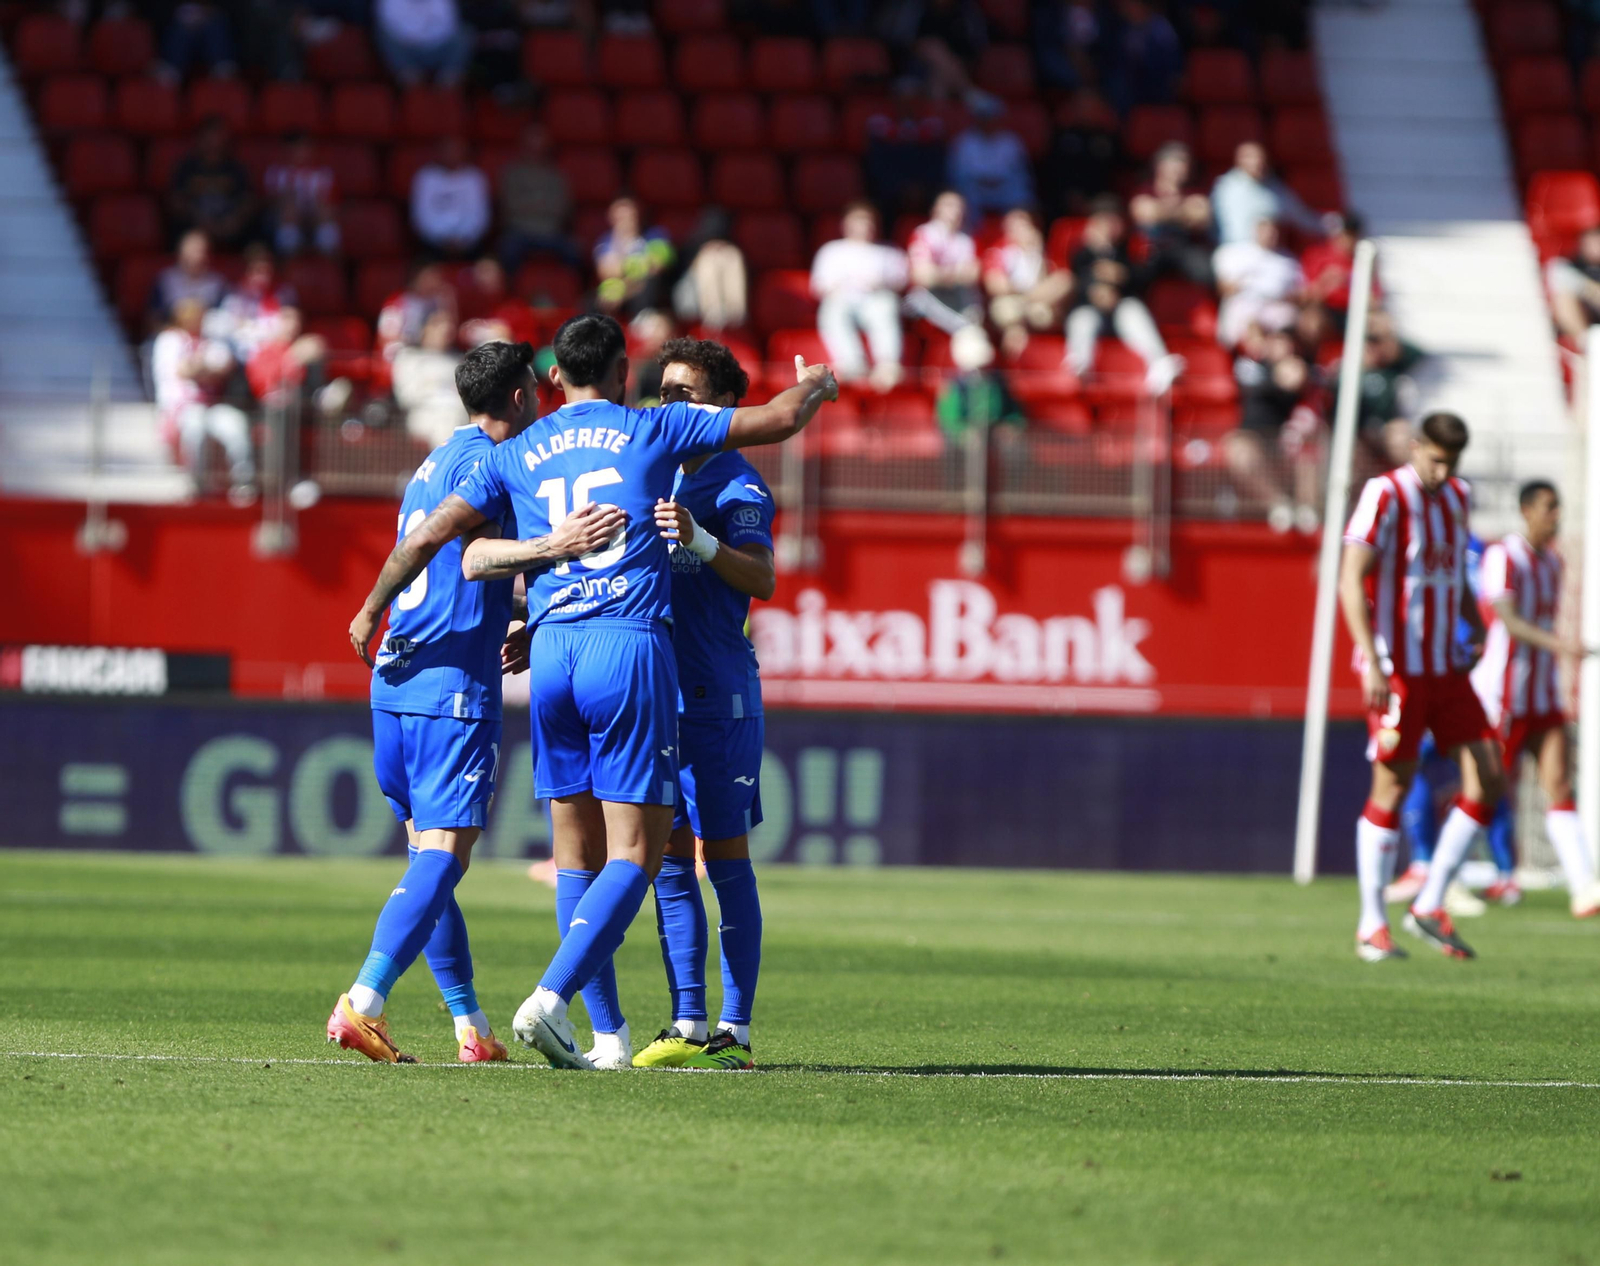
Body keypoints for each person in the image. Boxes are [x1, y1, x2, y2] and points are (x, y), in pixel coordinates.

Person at [348, 314, 837, 1069]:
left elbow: (461, 552)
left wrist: (378, 605)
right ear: (622, 373)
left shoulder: (515, 451)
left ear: (551, 381)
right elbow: (780, 418)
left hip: (552, 654)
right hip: (628, 650)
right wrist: (814, 385)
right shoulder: (653, 429)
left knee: (577, 851)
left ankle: (612, 1036)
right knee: (639, 855)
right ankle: (551, 999)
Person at [327, 339, 624, 1065]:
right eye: (536, 390)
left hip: (395, 679)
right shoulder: (497, 465)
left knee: (427, 857)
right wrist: (561, 548)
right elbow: (477, 559)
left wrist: (375, 610)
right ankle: (362, 1002)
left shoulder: (433, 463)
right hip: (451, 688)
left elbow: (456, 568)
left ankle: (471, 1027)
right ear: (521, 397)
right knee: (446, 855)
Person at [616, 338, 776, 1072]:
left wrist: (705, 541)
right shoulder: (651, 474)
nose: (671, 404)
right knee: (668, 865)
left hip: (719, 699)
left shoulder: (739, 487)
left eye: (687, 393)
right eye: (665, 392)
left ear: (723, 407)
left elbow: (764, 578)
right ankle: (685, 1021)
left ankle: (734, 1034)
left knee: (728, 862)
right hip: (660, 695)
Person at [1339, 411, 1507, 962]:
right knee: (1392, 784)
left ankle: (1429, 903)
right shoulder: (1384, 495)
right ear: (1415, 448)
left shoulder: (1457, 497)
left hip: (1446, 667)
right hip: (1399, 670)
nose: (1441, 471)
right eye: (1434, 459)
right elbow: (1349, 577)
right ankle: (1370, 925)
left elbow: (1451, 572)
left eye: (1450, 462)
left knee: (1488, 774)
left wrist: (1473, 618)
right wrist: (1371, 662)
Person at [1471, 481, 1600, 918]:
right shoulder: (1502, 557)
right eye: (1548, 507)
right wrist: (1560, 645)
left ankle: (1584, 887)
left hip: (1543, 696)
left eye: (1558, 506)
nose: (1556, 514)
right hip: (1504, 697)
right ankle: (1440, 878)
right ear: (1526, 510)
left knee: (1559, 786)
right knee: (1485, 792)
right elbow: (1505, 619)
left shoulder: (1554, 562)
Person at [1066, 196, 1183, 392]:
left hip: (1121, 311)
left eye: (1113, 221)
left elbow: (1145, 277)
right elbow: (1075, 279)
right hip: (1090, 309)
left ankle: (1159, 361)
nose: (1108, 228)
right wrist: (1096, 285)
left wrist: (1122, 275)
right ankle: (1080, 364)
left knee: (1133, 309)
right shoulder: (1081, 253)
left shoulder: (1131, 248)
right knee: (1082, 318)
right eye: (1103, 222)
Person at [151, 297, 255, 496]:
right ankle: (196, 482)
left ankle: (243, 482)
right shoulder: (170, 339)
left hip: (210, 405)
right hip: (181, 407)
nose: (196, 320)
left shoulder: (210, 340)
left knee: (236, 425)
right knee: (195, 427)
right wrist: (203, 369)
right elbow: (182, 370)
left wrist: (201, 368)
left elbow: (225, 366)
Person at [811, 201, 909, 390]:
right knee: (833, 309)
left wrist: (880, 283)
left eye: (869, 221)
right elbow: (818, 286)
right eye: (859, 220)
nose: (865, 226)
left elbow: (901, 280)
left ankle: (888, 365)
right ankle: (853, 365)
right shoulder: (831, 250)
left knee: (886, 305)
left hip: (876, 301)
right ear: (846, 224)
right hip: (842, 301)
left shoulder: (889, 252)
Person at [982, 208, 1073, 358]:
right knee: (1010, 314)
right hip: (1011, 302)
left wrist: (1038, 251)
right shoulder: (999, 250)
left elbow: (1057, 280)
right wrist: (1030, 292)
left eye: (1025, 225)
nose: (1023, 230)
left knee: (1059, 291)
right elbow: (996, 286)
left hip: (1035, 304)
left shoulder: (1038, 252)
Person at [1129, 141, 1213, 289]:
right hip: (1152, 248)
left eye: (1185, 163)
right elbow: (1145, 214)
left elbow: (1201, 218)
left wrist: (1161, 210)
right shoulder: (1144, 190)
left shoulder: (1195, 191)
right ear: (1160, 165)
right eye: (1177, 161)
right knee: (1136, 275)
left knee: (1205, 272)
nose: (1183, 167)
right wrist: (1184, 212)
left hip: (1184, 248)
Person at [165, 117, 257, 250]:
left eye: (217, 137)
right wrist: (198, 219)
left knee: (253, 232)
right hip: (195, 225)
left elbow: (249, 201)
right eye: (208, 138)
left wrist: (235, 220)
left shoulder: (236, 169)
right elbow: (175, 201)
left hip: (230, 226)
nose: (213, 143)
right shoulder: (186, 168)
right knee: (178, 229)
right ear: (199, 139)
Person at [1213, 218, 1304, 349]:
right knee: (1251, 322)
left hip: (1277, 306)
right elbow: (1223, 288)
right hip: (1244, 305)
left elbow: (1300, 294)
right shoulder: (1233, 253)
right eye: (1265, 230)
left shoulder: (1289, 261)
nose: (1270, 235)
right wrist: (1241, 285)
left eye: (1274, 231)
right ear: (1256, 230)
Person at [496, 122, 575, 273]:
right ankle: (511, 292)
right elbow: (509, 206)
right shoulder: (512, 173)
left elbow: (563, 208)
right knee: (507, 248)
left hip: (551, 232)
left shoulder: (556, 175)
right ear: (523, 142)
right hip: (520, 232)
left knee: (573, 251)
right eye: (532, 138)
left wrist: (529, 203)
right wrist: (543, 204)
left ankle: (570, 292)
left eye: (540, 138)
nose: (536, 144)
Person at [1211, 142, 1325, 247]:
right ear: (1238, 160)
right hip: (1235, 249)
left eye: (1259, 157)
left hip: (1269, 251)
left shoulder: (1275, 188)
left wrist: (1330, 225)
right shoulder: (1225, 187)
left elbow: (1301, 216)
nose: (1256, 161)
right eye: (1249, 157)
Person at [904, 190, 982, 334]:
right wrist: (955, 274)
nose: (956, 210)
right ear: (936, 209)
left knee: (974, 307)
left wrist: (941, 274)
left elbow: (973, 275)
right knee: (968, 331)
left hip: (956, 292)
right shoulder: (924, 233)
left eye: (959, 206)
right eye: (949, 205)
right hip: (925, 296)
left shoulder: (965, 239)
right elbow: (922, 276)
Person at [935, 324, 1025, 445]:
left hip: (994, 445)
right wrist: (964, 434)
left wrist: (1009, 427)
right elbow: (949, 421)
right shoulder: (955, 387)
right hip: (961, 451)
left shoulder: (998, 383)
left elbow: (1014, 414)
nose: (981, 371)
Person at [947, 98, 1035, 220]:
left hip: (1005, 188)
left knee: (1022, 194)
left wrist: (997, 181)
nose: (988, 122)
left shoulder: (1011, 141)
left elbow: (1019, 172)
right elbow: (958, 173)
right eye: (984, 118)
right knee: (962, 195)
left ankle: (1017, 232)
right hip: (975, 189)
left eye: (991, 117)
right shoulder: (964, 141)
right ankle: (969, 235)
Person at [394, 310, 467, 446]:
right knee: (447, 422)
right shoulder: (409, 357)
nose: (446, 329)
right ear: (424, 328)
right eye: (438, 324)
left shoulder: (458, 360)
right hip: (424, 415)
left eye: (448, 324)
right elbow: (406, 397)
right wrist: (443, 394)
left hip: (459, 415)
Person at [594, 197, 675, 318]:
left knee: (650, 285)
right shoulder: (606, 242)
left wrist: (625, 274)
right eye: (621, 217)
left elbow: (657, 265)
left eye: (630, 215)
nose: (627, 220)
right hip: (619, 295)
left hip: (646, 294)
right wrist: (638, 264)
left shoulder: (655, 235)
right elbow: (606, 271)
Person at [411, 136, 491, 258]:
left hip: (469, 242)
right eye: (448, 150)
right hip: (434, 243)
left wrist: (464, 239)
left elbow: (479, 217)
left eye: (456, 150)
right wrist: (442, 240)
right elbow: (422, 217)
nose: (452, 155)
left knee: (488, 267)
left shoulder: (474, 177)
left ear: (464, 153)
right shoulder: (426, 177)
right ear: (439, 152)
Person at [263, 133, 341, 257]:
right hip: (283, 220)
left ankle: (329, 260)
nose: (299, 152)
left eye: (303, 148)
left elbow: (333, 206)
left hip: (315, 220)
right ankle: (288, 257)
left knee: (324, 212)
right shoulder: (275, 173)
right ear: (285, 150)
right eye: (294, 148)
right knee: (289, 210)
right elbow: (269, 205)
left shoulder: (324, 174)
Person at [376, 0, 475, 86]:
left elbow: (449, 26)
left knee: (464, 33)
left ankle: (449, 81)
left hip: (439, 47)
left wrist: (424, 35)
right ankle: (410, 81)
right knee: (383, 34)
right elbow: (390, 25)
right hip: (405, 48)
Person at [149, 229, 226, 330]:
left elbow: (225, 318)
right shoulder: (166, 280)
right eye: (193, 250)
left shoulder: (216, 283)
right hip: (172, 334)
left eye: (201, 251)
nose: (197, 256)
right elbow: (153, 318)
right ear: (181, 253)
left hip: (206, 338)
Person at [1545, 227, 1600, 344]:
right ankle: (1587, 344)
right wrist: (1590, 288)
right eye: (1593, 242)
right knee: (1564, 298)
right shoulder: (1568, 266)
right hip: (1586, 319)